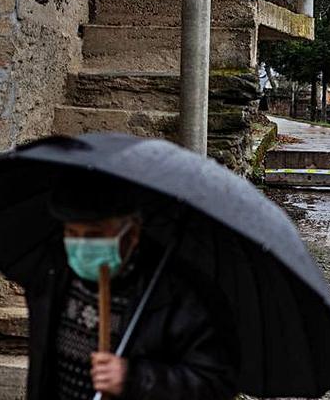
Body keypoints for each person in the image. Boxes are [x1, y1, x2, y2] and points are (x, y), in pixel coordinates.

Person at [22, 171, 238, 400]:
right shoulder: (54, 272)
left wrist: (134, 378)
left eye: (95, 236)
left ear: (132, 232)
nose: (82, 246)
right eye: (72, 234)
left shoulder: (177, 294)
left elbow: (214, 384)